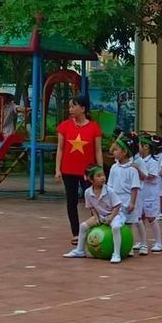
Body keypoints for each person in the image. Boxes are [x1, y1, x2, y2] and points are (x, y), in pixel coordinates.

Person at [55, 94, 104, 245]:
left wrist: (100, 171)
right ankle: (76, 233)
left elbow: (98, 151)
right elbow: (60, 149)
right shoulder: (64, 126)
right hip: (68, 170)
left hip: (88, 172)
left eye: (73, 106)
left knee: (93, 200)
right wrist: (58, 169)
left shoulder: (94, 127)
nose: (70, 109)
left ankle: (98, 228)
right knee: (71, 201)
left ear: (83, 108)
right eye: (70, 106)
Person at [63, 165, 124, 262]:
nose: (102, 178)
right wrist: (96, 217)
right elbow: (91, 207)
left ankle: (116, 254)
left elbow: (117, 205)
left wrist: (111, 217)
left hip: (115, 215)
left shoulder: (109, 191)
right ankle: (80, 250)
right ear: (91, 179)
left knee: (115, 228)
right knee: (83, 226)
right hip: (100, 215)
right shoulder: (87, 192)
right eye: (98, 176)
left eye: (103, 175)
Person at [105, 135, 143, 256]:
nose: (114, 152)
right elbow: (110, 186)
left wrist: (132, 202)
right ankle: (118, 245)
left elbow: (134, 187)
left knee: (128, 224)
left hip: (127, 198)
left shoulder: (132, 169)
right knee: (117, 222)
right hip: (116, 200)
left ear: (124, 152)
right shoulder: (114, 167)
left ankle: (129, 247)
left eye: (116, 150)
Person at [137, 134, 162, 254]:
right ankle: (142, 241)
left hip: (150, 194)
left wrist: (138, 172)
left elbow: (152, 176)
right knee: (140, 218)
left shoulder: (153, 162)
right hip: (141, 193)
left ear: (146, 147)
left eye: (140, 145)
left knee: (152, 218)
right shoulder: (139, 160)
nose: (138, 147)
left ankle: (158, 242)